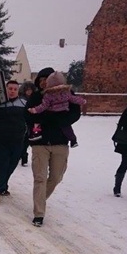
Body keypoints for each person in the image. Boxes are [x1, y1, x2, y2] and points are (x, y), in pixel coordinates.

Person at [26, 67, 83, 227]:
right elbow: (29, 115)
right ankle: (39, 213)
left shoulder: (66, 94)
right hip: (40, 142)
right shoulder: (36, 97)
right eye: (41, 79)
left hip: (60, 141)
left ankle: (40, 199)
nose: (44, 82)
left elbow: (75, 113)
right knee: (40, 178)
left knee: (57, 176)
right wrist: (49, 117)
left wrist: (60, 119)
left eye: (47, 79)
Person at [0, 80, 28, 202]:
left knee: (11, 164)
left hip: (17, 140)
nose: (12, 91)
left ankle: (3, 185)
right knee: (0, 164)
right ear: (5, 89)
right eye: (10, 88)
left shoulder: (24, 103)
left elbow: (29, 119)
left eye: (15, 89)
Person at [28, 71, 85, 147]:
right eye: (40, 80)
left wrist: (35, 110)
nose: (42, 82)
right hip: (63, 112)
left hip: (53, 116)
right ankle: (73, 139)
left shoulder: (48, 95)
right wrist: (82, 101)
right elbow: (74, 99)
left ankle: (36, 133)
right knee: (66, 127)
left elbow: (44, 105)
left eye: (45, 80)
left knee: (38, 123)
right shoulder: (66, 92)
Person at [19, 82, 35, 166]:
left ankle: (24, 156)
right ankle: (21, 155)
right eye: (27, 90)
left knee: (26, 141)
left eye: (30, 90)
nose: (29, 92)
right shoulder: (21, 99)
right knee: (20, 140)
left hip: (30, 123)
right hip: (21, 122)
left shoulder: (34, 99)